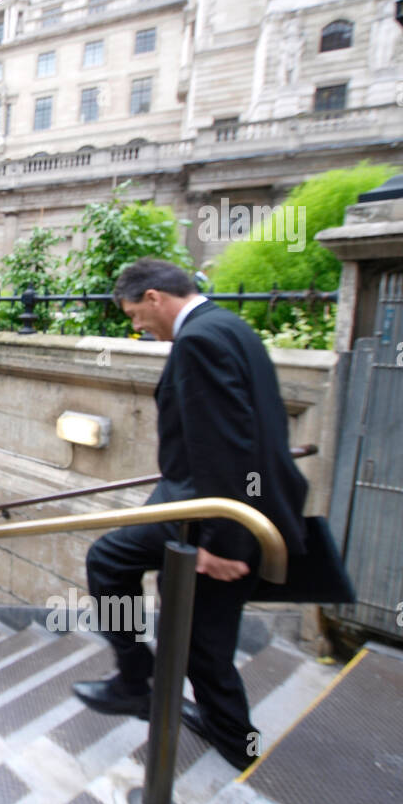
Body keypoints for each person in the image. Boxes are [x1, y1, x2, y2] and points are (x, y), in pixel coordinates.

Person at [71, 259, 308, 770]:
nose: (139, 328)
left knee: (109, 560)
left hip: (220, 519)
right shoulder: (230, 325)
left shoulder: (198, 341)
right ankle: (235, 740)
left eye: (136, 314)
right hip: (250, 510)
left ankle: (137, 681)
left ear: (155, 297)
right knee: (206, 640)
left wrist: (220, 545)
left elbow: (224, 446)